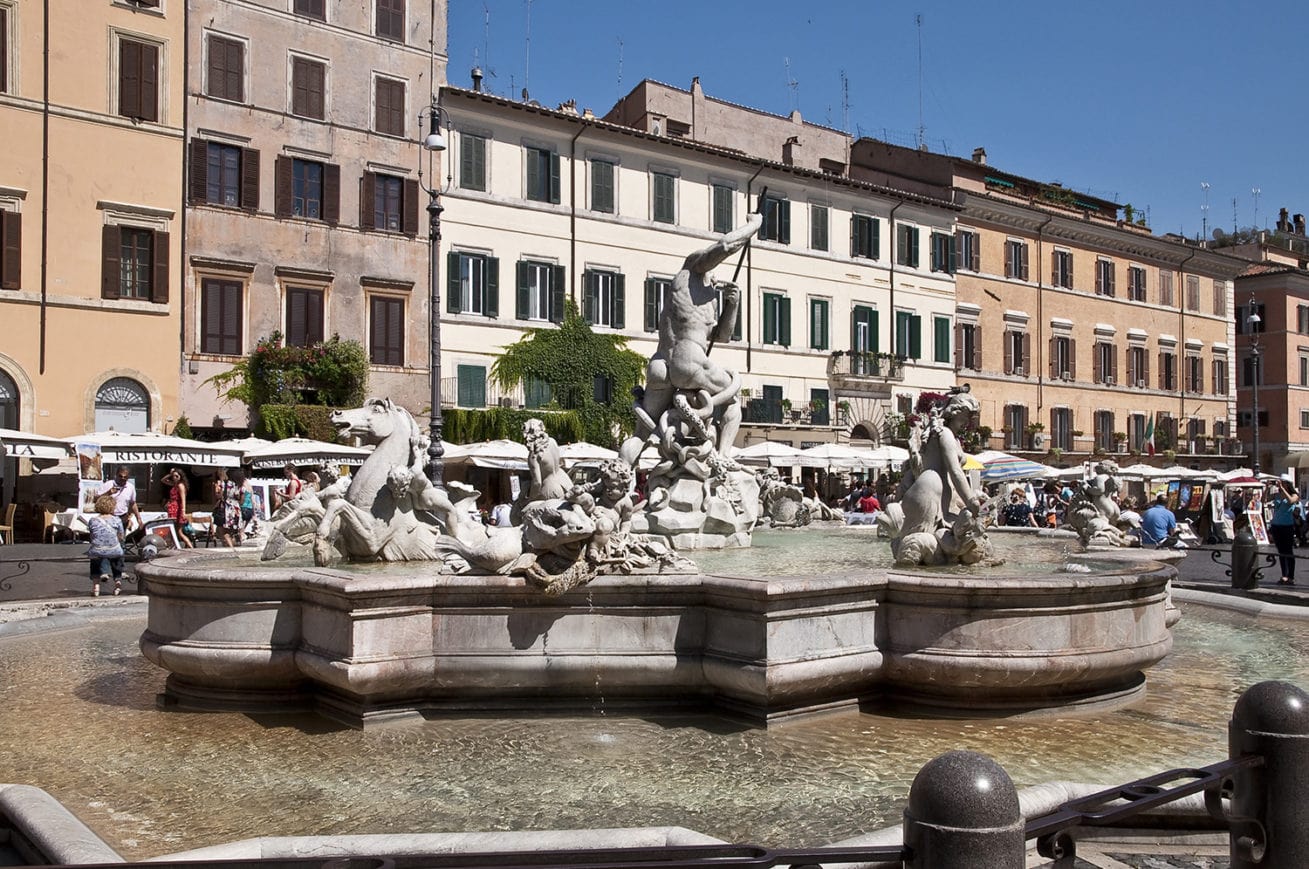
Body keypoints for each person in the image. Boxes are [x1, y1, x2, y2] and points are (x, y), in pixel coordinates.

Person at [619, 211, 763, 465]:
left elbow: (722, 336)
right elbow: (725, 246)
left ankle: (619, 471)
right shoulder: (691, 270)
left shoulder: (700, 299)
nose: (715, 280)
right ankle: (724, 456)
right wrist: (754, 226)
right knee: (731, 401)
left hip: (660, 365)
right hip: (688, 361)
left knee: (641, 433)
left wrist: (733, 305)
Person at [86, 493, 125, 596]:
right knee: (117, 561)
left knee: (95, 562)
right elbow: (121, 536)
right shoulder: (117, 520)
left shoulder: (93, 520)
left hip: (97, 549)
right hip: (114, 548)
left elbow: (92, 536)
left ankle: (96, 587)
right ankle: (118, 584)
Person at [1267, 478, 1301, 585]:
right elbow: (1264, 500)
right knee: (1281, 552)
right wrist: (1267, 489)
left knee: (1288, 551)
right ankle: (1284, 575)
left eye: (1283, 483)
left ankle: (1291, 576)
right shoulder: (1277, 495)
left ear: (1287, 484)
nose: (1280, 485)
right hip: (1276, 525)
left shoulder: (1294, 495)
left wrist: (1282, 489)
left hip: (1287, 526)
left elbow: (1291, 501)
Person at [95, 464, 144, 533]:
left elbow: (133, 503)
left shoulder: (130, 487)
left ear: (128, 477)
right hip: (109, 517)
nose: (122, 478)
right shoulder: (108, 484)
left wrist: (138, 518)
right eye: (120, 476)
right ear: (116, 475)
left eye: (125, 477)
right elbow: (96, 499)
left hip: (123, 518)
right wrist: (108, 493)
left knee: (121, 538)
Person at [162, 467, 195, 548]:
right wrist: (170, 474)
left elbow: (183, 499)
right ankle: (175, 546)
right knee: (174, 530)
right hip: (172, 508)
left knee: (179, 531)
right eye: (174, 476)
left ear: (180, 476)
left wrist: (183, 511)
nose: (175, 478)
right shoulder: (175, 484)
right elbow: (163, 480)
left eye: (177, 476)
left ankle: (190, 547)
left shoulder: (180, 485)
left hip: (177, 509)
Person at [211, 469, 242, 547]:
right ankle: (231, 547)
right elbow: (238, 496)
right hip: (235, 509)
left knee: (223, 532)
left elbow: (219, 496)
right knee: (231, 532)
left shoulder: (221, 484)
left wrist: (216, 489)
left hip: (225, 509)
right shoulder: (235, 484)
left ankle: (231, 549)